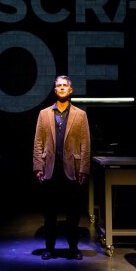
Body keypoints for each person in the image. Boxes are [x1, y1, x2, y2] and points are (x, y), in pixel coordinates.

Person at [33, 75, 91, 260]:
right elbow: (38, 142)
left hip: (71, 168)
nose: (62, 88)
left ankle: (73, 248)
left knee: (73, 212)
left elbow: (85, 144)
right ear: (55, 90)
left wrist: (84, 169)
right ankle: (49, 248)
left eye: (65, 85)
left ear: (71, 90)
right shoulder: (44, 114)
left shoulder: (80, 115)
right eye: (59, 86)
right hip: (51, 167)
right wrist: (37, 166)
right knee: (50, 212)